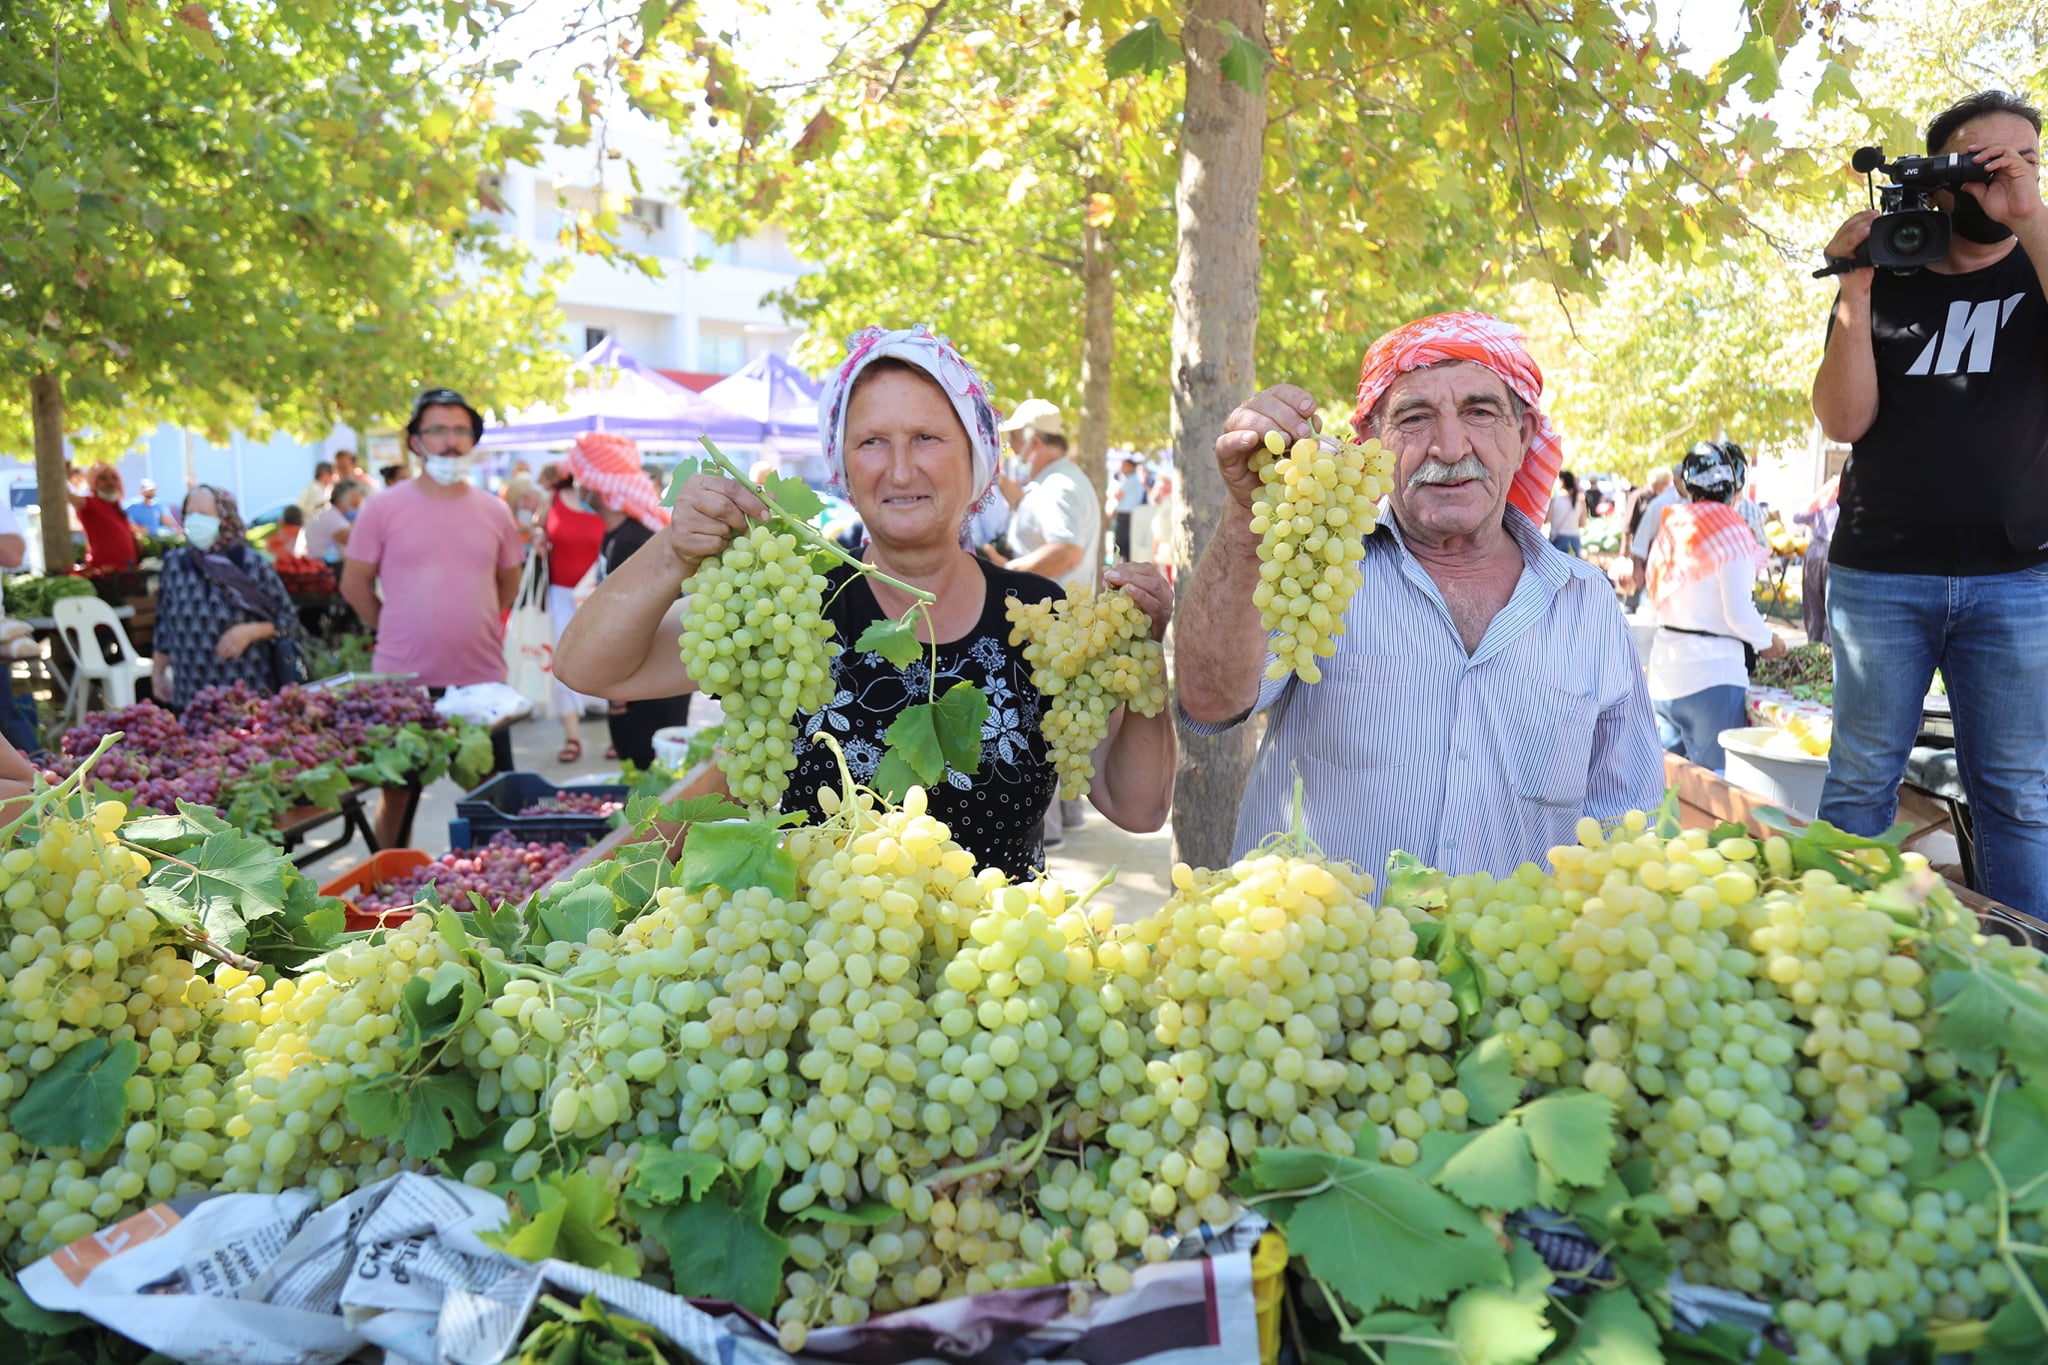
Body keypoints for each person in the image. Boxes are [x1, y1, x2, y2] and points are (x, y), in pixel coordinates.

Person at [556, 324, 1177, 879]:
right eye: (872, 443)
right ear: (843, 467)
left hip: (996, 983)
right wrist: (674, 550)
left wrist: (1144, 653)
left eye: (927, 437)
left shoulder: (1039, 617)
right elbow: (586, 668)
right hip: (830, 987)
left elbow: (1139, 807)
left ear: (977, 457)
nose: (901, 471)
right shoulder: (793, 607)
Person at [1177, 310, 1665, 878]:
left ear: (1524, 434)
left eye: (1480, 412)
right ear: (1370, 443)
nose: (1451, 447)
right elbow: (1208, 701)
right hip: (1322, 961)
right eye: (1414, 417)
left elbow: (1625, 818)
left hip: (1505, 965)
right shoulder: (1316, 566)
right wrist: (1244, 516)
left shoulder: (1585, 602)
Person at [1810, 89, 2048, 917]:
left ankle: (2027, 987)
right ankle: (1836, 959)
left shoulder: (2038, 265)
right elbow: (1843, 420)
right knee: (1860, 782)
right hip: (1881, 573)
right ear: (1938, 177)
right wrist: (1857, 289)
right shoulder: (1890, 273)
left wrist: (2032, 218)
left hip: (2017, 577)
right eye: (1984, 164)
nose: (2005, 179)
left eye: (2025, 160)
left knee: (2019, 796)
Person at [342, 388, 525, 844]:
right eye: (438, 430)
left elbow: (508, 583)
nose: (450, 441)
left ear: (473, 439)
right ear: (416, 441)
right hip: (403, 682)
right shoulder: (382, 507)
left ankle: (499, 891)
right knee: (399, 794)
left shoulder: (495, 510)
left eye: (460, 430)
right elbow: (353, 585)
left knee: (492, 795)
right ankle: (387, 884)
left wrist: (468, 618)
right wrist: (395, 627)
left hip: (480, 677)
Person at [984, 401, 1102, 842]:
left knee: (1042, 729)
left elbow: (1065, 549)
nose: (1012, 447)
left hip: (1049, 625)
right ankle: (1066, 818)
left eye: (1015, 440)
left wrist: (1003, 573)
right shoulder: (1060, 481)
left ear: (1034, 441)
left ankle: (1045, 832)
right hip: (1060, 622)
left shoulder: (1057, 487)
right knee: (1062, 722)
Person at [1644, 443, 1784, 773]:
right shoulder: (1732, 529)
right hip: (1712, 676)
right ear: (1732, 486)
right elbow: (1739, 612)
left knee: (1666, 789)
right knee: (1715, 791)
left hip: (1665, 671)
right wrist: (1767, 642)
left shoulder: (1673, 525)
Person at [565, 432, 688, 768]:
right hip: (631, 674)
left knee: (650, 767)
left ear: (597, 485)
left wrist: (619, 692)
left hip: (646, 682)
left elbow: (647, 618)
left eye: (582, 476)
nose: (579, 485)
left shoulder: (634, 541)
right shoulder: (618, 535)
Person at [150, 487, 300, 711]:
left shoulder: (250, 564)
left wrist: (251, 632)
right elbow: (164, 625)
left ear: (224, 518)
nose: (195, 520)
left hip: (246, 695)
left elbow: (289, 621)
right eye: (190, 513)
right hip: (190, 696)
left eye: (204, 514)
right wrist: (158, 673)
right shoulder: (176, 564)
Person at [534, 462, 606, 763]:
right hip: (561, 595)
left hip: (600, 594)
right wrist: (538, 537)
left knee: (608, 659)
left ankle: (618, 734)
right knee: (562, 662)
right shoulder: (551, 499)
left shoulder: (608, 500)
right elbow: (538, 526)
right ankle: (572, 736)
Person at [1793, 475, 1840, 646]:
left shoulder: (1823, 501)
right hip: (1833, 553)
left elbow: (1798, 517)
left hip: (1816, 551)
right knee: (1831, 605)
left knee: (1814, 602)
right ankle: (1826, 649)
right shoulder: (1842, 502)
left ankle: (1814, 643)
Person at [1626, 467, 1682, 611]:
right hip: (1663, 565)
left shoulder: (1697, 501)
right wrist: (1636, 565)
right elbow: (1639, 533)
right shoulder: (1660, 503)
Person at [72, 464, 138, 573]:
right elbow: (68, 496)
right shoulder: (90, 503)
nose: (110, 482)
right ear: (95, 483)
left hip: (127, 574)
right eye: (103, 478)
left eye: (113, 478)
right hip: (105, 576)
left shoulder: (117, 507)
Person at [305, 477, 368, 563]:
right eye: (355, 504)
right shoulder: (332, 518)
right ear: (342, 500)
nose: (357, 510)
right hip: (324, 566)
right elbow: (356, 539)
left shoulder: (328, 514)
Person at [1110, 453, 1149, 561]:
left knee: (1122, 545)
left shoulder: (1130, 480)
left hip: (1126, 516)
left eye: (1124, 465)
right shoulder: (1133, 479)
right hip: (1128, 515)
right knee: (1125, 544)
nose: (1121, 468)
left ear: (1130, 466)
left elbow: (1118, 495)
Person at [1547, 469, 1584, 556]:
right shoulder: (1580, 500)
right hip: (1575, 540)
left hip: (1558, 540)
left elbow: (1547, 519)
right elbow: (1582, 523)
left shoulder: (1555, 499)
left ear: (1562, 481)